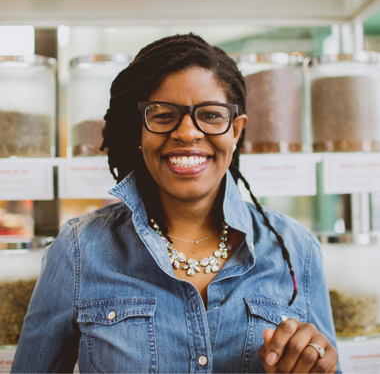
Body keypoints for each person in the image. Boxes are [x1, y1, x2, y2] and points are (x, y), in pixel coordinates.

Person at [12, 33, 340, 374]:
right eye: (164, 114)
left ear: (237, 131)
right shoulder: (79, 249)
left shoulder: (295, 249)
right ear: (140, 130)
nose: (187, 132)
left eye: (211, 115)